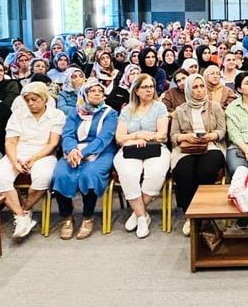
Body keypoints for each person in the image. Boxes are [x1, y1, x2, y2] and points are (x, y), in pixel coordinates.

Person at [0, 81, 65, 239]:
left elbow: (52, 143)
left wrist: (33, 159)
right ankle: (21, 217)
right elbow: (10, 142)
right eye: (27, 100)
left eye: (35, 99)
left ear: (44, 99)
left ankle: (25, 209)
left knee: (43, 177)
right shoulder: (18, 114)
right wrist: (14, 162)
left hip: (43, 154)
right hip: (18, 152)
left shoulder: (56, 115)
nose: (30, 103)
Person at [52, 80, 119, 240]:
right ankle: (66, 217)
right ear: (85, 94)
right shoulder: (75, 113)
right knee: (61, 174)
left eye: (100, 91)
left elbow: (105, 138)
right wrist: (72, 150)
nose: (97, 93)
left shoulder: (110, 113)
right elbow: (68, 134)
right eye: (92, 91)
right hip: (74, 150)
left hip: (102, 151)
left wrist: (83, 153)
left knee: (90, 174)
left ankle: (88, 217)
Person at [113, 73, 170, 238]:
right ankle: (142, 217)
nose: (149, 90)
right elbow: (120, 138)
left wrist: (148, 136)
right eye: (145, 87)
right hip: (130, 149)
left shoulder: (160, 107)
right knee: (128, 174)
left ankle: (137, 213)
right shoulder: (127, 110)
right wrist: (138, 135)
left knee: (156, 173)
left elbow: (161, 135)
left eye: (151, 86)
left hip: (155, 148)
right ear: (136, 90)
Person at [169, 73, 226, 236]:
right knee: (184, 172)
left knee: (206, 170)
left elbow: (222, 130)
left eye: (202, 86)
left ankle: (206, 213)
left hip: (210, 146)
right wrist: (186, 137)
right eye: (195, 87)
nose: (200, 90)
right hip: (186, 148)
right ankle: (191, 216)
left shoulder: (214, 106)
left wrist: (211, 136)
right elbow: (173, 136)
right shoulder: (180, 110)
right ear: (188, 89)